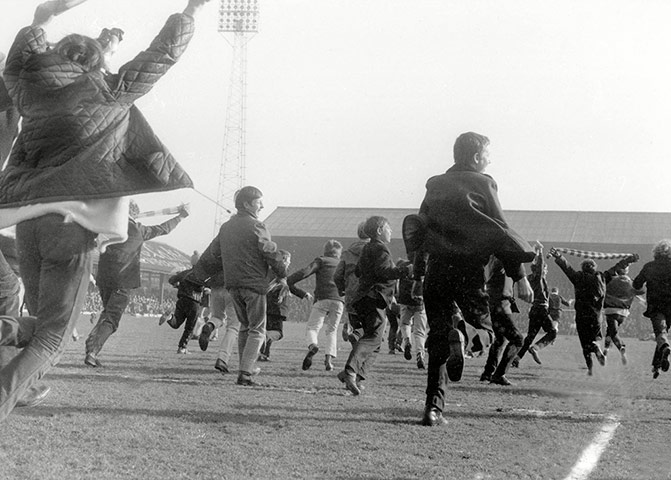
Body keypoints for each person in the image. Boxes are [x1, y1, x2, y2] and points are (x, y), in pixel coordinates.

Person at [0, 0, 210, 423]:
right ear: (97, 64)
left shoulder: (30, 93)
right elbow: (161, 55)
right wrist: (191, 10)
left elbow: (16, 65)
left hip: (27, 225)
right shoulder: (110, 90)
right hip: (71, 227)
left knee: (40, 322)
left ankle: (26, 383)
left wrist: (42, 20)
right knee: (54, 337)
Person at [408, 132, 535, 426]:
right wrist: (521, 277)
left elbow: (419, 232)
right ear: (477, 158)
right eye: (488, 154)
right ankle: (464, 334)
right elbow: (501, 232)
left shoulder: (434, 184)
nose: (490, 159)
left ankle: (432, 409)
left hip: (437, 271)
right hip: (469, 271)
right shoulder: (484, 182)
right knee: (486, 330)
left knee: (438, 338)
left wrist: (417, 275)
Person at [190, 186, 287, 386]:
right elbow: (269, 251)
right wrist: (282, 272)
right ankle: (246, 372)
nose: (262, 206)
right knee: (258, 329)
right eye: (259, 202)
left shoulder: (226, 227)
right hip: (254, 285)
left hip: (232, 285)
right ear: (247, 204)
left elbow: (211, 254)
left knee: (245, 327)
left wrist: (197, 276)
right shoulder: (257, 225)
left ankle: (246, 369)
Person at [85, 201, 189, 366]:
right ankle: (92, 351)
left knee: (107, 313)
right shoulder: (139, 230)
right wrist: (181, 216)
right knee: (112, 318)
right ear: (134, 214)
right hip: (123, 280)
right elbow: (163, 228)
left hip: (104, 279)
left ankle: (92, 344)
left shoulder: (108, 225)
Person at [336, 216, 411, 395]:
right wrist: (405, 271)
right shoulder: (381, 248)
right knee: (374, 338)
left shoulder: (367, 248)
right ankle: (350, 371)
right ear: (379, 231)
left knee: (375, 343)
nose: (391, 231)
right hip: (375, 298)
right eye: (388, 228)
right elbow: (383, 272)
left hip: (362, 298)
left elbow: (359, 271)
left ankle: (357, 377)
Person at [549, 248, 638, 376]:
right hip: (596, 315)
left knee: (584, 343)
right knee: (595, 338)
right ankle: (596, 346)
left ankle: (590, 369)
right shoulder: (602, 276)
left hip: (581, 314)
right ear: (594, 267)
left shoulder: (578, 277)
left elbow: (567, 268)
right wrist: (629, 260)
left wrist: (558, 256)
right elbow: (616, 267)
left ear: (583, 267)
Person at [289, 240, 345, 371]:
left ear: (325, 251)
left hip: (322, 298)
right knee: (332, 330)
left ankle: (313, 345)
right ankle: (329, 361)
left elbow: (305, 272)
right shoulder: (343, 264)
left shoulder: (321, 261)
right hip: (338, 300)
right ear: (339, 253)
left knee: (312, 328)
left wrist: (289, 280)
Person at [480, 256, 526, 386]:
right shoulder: (503, 259)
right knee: (518, 339)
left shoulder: (493, 259)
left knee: (501, 339)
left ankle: (488, 372)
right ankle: (499, 374)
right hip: (500, 303)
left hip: (495, 302)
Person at [512, 242, 557, 367]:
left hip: (534, 309)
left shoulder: (530, 278)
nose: (546, 271)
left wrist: (536, 253)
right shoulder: (539, 278)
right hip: (541, 309)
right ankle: (535, 348)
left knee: (530, 337)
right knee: (552, 333)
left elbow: (536, 266)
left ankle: (516, 358)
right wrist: (540, 252)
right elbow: (540, 266)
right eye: (545, 269)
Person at [632, 240, 671, 379]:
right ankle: (657, 366)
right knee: (663, 334)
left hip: (656, 305)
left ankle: (663, 352)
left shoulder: (649, 266)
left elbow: (636, 284)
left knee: (661, 333)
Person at [259, 250, 307, 361]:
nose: (290, 262)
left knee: (269, 330)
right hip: (276, 306)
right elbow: (287, 285)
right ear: (284, 259)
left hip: (267, 305)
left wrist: (303, 294)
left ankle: (264, 354)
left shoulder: (269, 271)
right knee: (277, 333)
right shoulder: (281, 272)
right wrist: (301, 294)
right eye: (289, 260)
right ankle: (263, 345)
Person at [333, 222, 369, 346]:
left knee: (357, 326)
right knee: (372, 330)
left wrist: (341, 289)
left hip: (351, 294)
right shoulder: (376, 251)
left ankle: (354, 336)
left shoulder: (347, 253)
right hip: (369, 294)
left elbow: (337, 275)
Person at [603, 264, 643, 365]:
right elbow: (641, 291)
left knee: (614, 333)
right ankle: (606, 351)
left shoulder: (611, 280)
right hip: (623, 313)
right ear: (627, 271)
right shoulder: (631, 282)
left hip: (612, 310)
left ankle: (621, 347)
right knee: (610, 331)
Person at [161, 268, 207, 354]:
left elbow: (171, 280)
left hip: (182, 299)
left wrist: (178, 285)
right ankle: (182, 347)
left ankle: (169, 317)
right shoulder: (202, 274)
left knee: (176, 323)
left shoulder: (185, 272)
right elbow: (202, 287)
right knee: (189, 327)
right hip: (194, 301)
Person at [396, 259, 429, 369]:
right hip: (419, 301)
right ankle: (420, 354)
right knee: (419, 332)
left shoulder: (403, 266)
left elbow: (396, 282)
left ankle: (407, 341)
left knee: (405, 324)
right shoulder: (424, 266)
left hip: (405, 301)